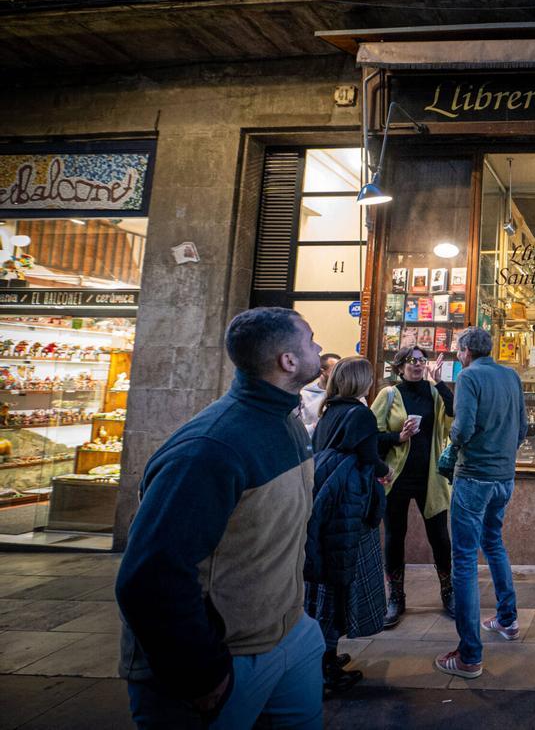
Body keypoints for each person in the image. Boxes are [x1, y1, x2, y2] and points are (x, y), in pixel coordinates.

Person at [116, 307, 324, 729]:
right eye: (310, 341)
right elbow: (150, 575)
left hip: (287, 637)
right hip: (226, 660)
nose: (318, 348)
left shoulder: (285, 421)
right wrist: (201, 674)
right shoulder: (211, 448)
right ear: (287, 361)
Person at [435, 326, 526, 679]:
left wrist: (453, 448)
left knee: (464, 560)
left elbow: (463, 427)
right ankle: (507, 619)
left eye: (459, 351)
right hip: (504, 478)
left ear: (465, 351)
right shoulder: (511, 375)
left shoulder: (470, 377)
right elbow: (522, 430)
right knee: (494, 542)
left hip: (473, 477)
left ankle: (469, 654)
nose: (458, 356)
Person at [303, 356, 388, 696]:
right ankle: (326, 668)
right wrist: (386, 470)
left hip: (327, 505)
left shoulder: (328, 413)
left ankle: (323, 657)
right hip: (350, 508)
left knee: (325, 584)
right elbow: (370, 459)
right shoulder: (361, 415)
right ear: (360, 382)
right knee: (343, 580)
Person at [371, 345, 455, 625]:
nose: (417, 365)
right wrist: (399, 437)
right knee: (395, 537)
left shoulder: (433, 393)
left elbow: (453, 414)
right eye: (411, 361)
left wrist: (440, 381)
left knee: (440, 538)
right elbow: (370, 436)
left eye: (421, 360)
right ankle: (396, 597)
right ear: (399, 366)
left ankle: (448, 591)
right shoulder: (389, 394)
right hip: (396, 478)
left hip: (430, 477)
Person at [300, 352, 341, 432]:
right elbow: (296, 429)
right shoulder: (304, 396)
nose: (339, 374)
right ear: (322, 372)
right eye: (335, 371)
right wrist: (315, 426)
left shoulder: (348, 394)